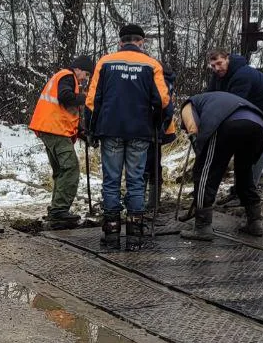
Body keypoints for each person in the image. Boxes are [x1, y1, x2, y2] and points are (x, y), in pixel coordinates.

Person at [85, 24, 173, 250]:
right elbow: (163, 101)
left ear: (120, 41)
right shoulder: (152, 64)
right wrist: (158, 125)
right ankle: (135, 236)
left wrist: (91, 130)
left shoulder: (105, 62)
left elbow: (92, 100)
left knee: (111, 180)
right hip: (140, 131)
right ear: (141, 42)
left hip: (110, 129)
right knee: (135, 181)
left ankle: (111, 234)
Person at [178, 90, 263, 240]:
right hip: (258, 124)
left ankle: (202, 227)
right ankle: (255, 221)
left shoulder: (188, 104)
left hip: (227, 121)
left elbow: (193, 129)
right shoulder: (212, 100)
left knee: (205, 173)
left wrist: (200, 154)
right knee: (244, 172)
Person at [206, 51, 263, 201]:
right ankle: (238, 191)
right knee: (242, 153)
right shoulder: (218, 76)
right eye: (213, 66)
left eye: (219, 63)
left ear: (228, 59)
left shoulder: (242, 76)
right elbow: (210, 96)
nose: (217, 68)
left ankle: (247, 196)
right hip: (255, 115)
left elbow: (232, 106)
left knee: (254, 155)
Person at [29, 56, 95, 228]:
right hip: (54, 129)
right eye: (86, 74)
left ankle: (56, 210)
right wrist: (87, 98)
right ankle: (59, 211)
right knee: (70, 168)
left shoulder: (63, 77)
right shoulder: (67, 76)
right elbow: (66, 97)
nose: (84, 79)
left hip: (50, 128)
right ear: (78, 69)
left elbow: (66, 112)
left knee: (60, 171)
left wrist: (83, 134)